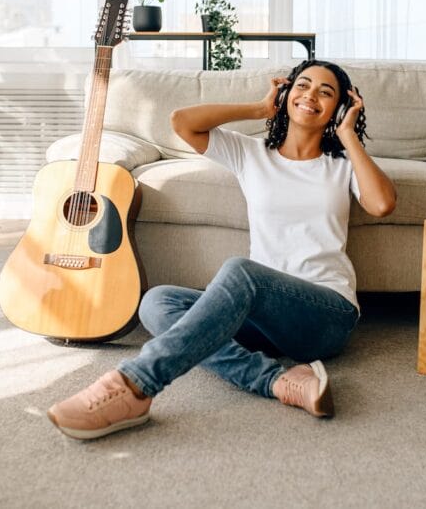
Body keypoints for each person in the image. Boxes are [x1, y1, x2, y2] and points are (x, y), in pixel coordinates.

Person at [47, 59, 397, 440]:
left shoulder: (342, 164)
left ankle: (134, 385)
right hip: (261, 318)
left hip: (325, 314)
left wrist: (348, 134)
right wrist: (259, 109)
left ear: (338, 108)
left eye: (325, 92)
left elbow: (382, 204)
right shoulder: (253, 153)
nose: (310, 95)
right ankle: (275, 380)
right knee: (157, 302)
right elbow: (182, 122)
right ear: (286, 93)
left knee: (240, 271)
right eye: (302, 85)